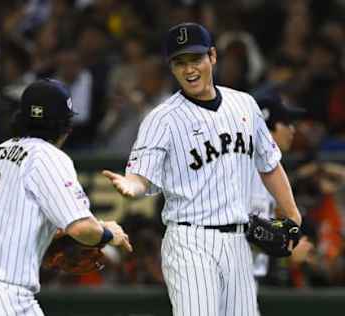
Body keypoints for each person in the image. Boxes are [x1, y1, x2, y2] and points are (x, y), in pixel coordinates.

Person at [102, 22, 302, 316]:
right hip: (190, 241)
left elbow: (270, 165)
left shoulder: (244, 105)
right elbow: (141, 175)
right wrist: (132, 185)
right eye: (179, 62)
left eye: (195, 59)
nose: (188, 69)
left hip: (238, 241)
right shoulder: (162, 119)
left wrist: (292, 213)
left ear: (212, 56)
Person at [0, 78, 132, 315]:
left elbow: (2, 227)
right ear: (66, 128)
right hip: (1, 297)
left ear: (20, 119)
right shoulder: (48, 156)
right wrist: (107, 234)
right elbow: (82, 229)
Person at [250, 90, 307, 280]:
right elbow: (242, 231)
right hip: (231, 277)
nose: (292, 129)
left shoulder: (268, 172)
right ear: (266, 128)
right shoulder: (250, 170)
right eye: (286, 123)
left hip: (248, 275)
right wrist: (287, 250)